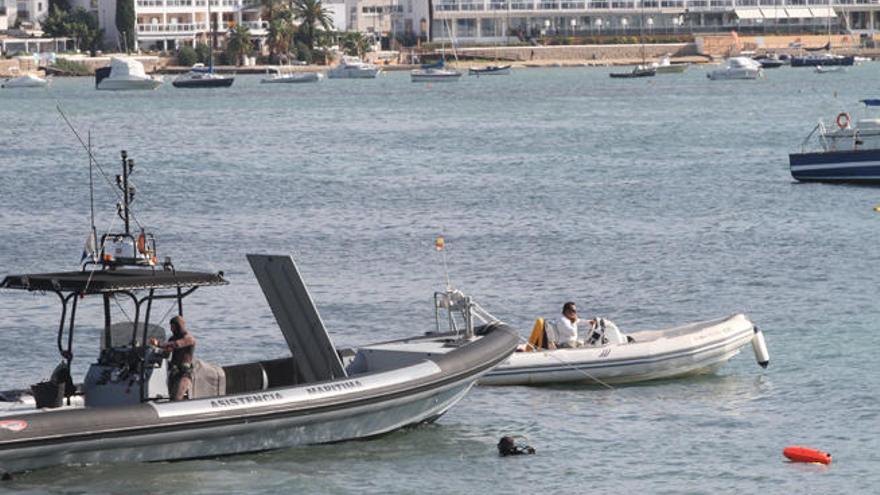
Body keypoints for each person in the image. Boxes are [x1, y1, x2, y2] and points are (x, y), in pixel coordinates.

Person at [162, 315, 196, 401]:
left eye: (173, 327)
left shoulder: (189, 339)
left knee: (177, 398)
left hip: (184, 374)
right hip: (174, 372)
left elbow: (177, 344)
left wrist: (160, 344)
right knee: (171, 397)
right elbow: (166, 354)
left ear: (179, 326)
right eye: (171, 327)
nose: (171, 329)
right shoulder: (172, 339)